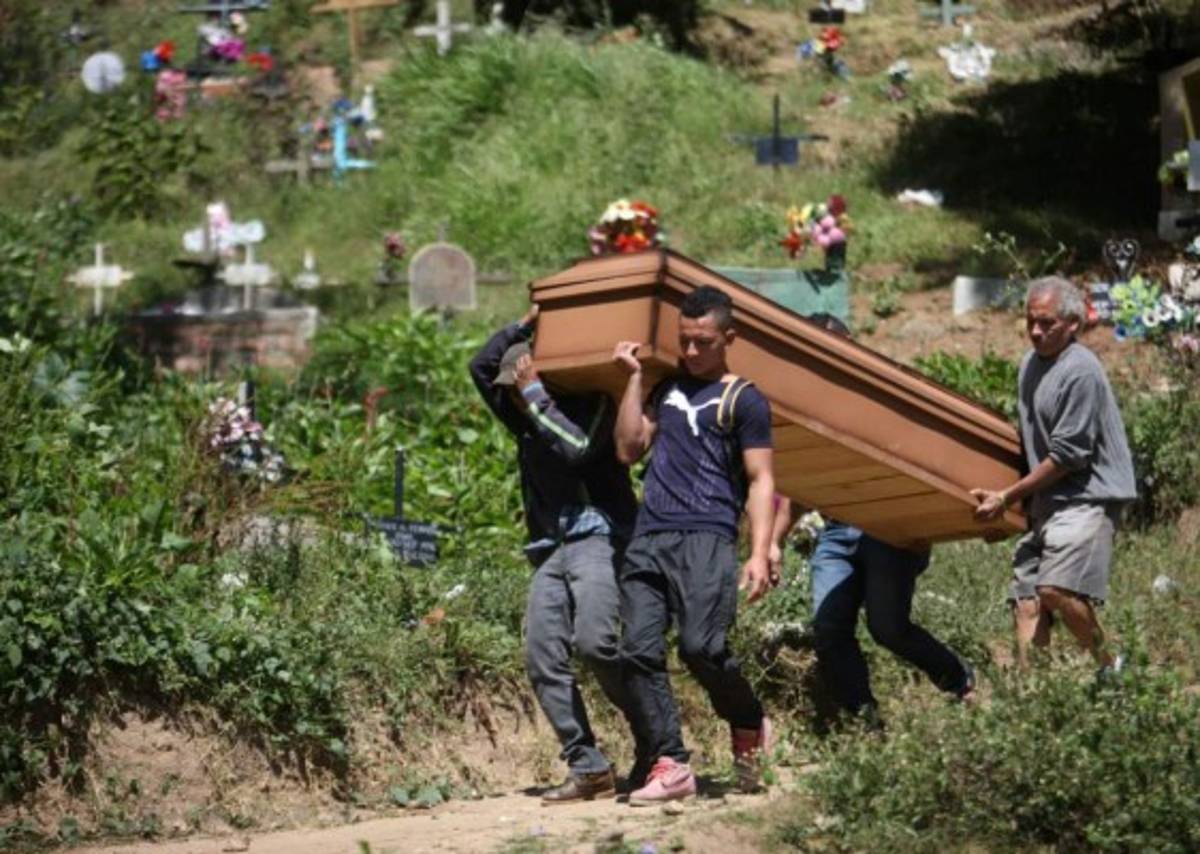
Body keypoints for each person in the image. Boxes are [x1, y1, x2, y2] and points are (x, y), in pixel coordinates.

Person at [469, 305, 643, 804]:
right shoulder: (522, 414)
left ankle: (656, 740)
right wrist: (524, 324)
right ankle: (588, 765)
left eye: (517, 387)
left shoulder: (589, 407)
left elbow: (578, 450)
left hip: (598, 538)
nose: (508, 396)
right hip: (550, 547)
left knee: (596, 644)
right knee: (543, 654)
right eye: (511, 389)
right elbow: (480, 368)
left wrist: (535, 395)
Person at [611, 286, 776, 806]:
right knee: (636, 648)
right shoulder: (665, 387)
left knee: (702, 648)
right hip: (650, 534)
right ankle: (671, 763)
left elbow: (762, 479)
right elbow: (628, 448)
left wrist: (758, 550)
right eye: (685, 341)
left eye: (703, 341)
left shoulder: (744, 399)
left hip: (707, 536)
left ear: (729, 337)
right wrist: (635, 381)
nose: (692, 351)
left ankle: (749, 722)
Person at [771, 313, 975, 726]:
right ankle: (865, 720)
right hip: (836, 532)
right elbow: (800, 489)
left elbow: (922, 466)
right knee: (829, 629)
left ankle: (959, 682)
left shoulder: (883, 401)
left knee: (888, 628)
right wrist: (772, 544)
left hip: (888, 530)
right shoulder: (805, 410)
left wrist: (920, 528)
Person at [971, 276, 1137, 669]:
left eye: (1047, 323)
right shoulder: (1030, 364)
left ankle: (1111, 667)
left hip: (1085, 498)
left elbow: (1067, 456)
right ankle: (1034, 697)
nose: (1035, 331)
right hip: (1046, 503)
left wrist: (1007, 497)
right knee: (1026, 601)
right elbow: (1030, 440)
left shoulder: (1081, 371)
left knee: (1056, 590)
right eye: (1030, 321)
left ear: (1073, 324)